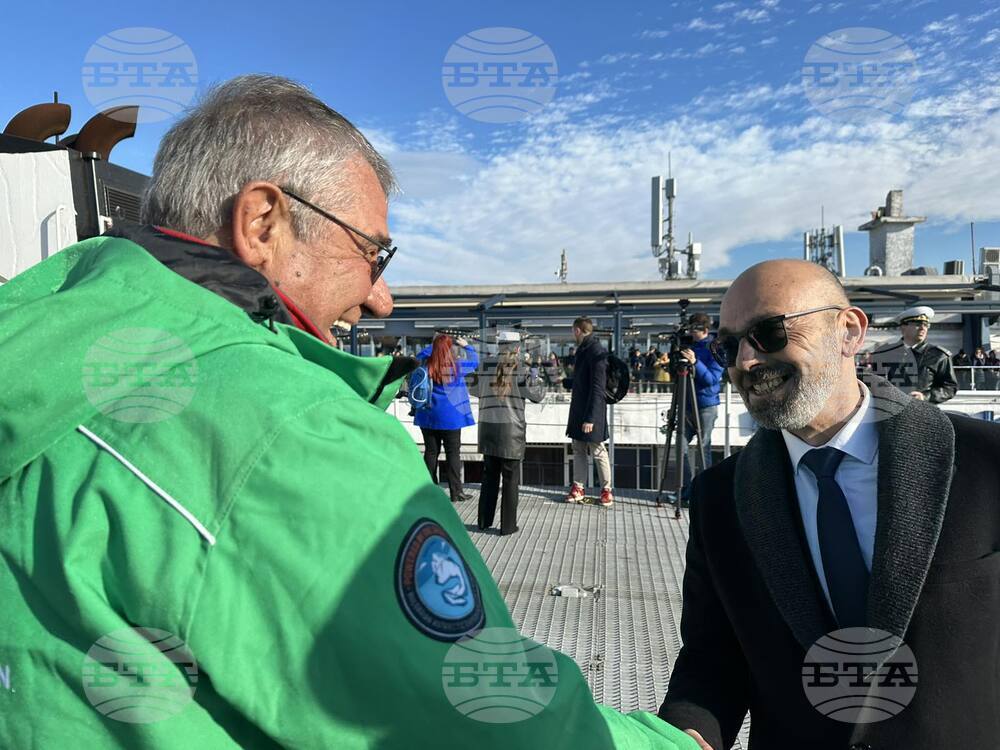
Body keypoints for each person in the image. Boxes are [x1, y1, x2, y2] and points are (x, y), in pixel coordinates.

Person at [0, 75, 696, 749]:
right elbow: (495, 720)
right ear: (262, 221)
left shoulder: (40, 335)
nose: (381, 298)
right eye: (372, 251)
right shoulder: (288, 426)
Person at [659, 259, 1000, 750]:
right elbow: (712, 662)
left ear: (848, 331)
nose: (746, 362)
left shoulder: (985, 462)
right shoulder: (720, 498)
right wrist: (684, 736)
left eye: (769, 332)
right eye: (728, 346)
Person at [477, 331, 545, 535]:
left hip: (488, 427)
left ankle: (483, 521)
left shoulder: (484, 366)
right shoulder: (521, 370)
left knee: (489, 477)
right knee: (510, 480)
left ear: (499, 346)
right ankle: (507, 526)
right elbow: (537, 395)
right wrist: (538, 379)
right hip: (511, 432)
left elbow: (473, 390)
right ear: (517, 348)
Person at [414, 333, 478, 503]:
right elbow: (476, 360)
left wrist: (435, 345)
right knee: (453, 455)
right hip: (451, 418)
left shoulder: (426, 364)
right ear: (450, 349)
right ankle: (456, 493)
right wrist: (466, 345)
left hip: (428, 416)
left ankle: (429, 491)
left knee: (431, 452)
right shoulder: (458, 366)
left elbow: (417, 356)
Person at [564, 317, 614, 507]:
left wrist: (591, 418)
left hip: (591, 411)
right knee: (578, 448)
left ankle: (606, 490)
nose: (572, 334)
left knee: (598, 450)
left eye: (573, 331)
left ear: (577, 330)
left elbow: (597, 387)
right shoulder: (586, 349)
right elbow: (585, 382)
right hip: (580, 409)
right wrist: (567, 382)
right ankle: (578, 487)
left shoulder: (595, 351)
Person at [676, 313, 724, 505]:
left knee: (703, 448)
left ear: (704, 330)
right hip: (687, 403)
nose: (691, 334)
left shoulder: (715, 349)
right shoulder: (692, 347)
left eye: (694, 331)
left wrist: (696, 362)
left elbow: (712, 379)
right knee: (681, 445)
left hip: (706, 405)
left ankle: (703, 492)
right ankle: (686, 489)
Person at [867, 305, 958, 403]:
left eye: (926, 324)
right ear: (903, 327)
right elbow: (873, 381)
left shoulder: (939, 356)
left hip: (923, 412)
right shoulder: (884, 353)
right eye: (918, 324)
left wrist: (925, 397)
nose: (923, 328)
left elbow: (949, 387)